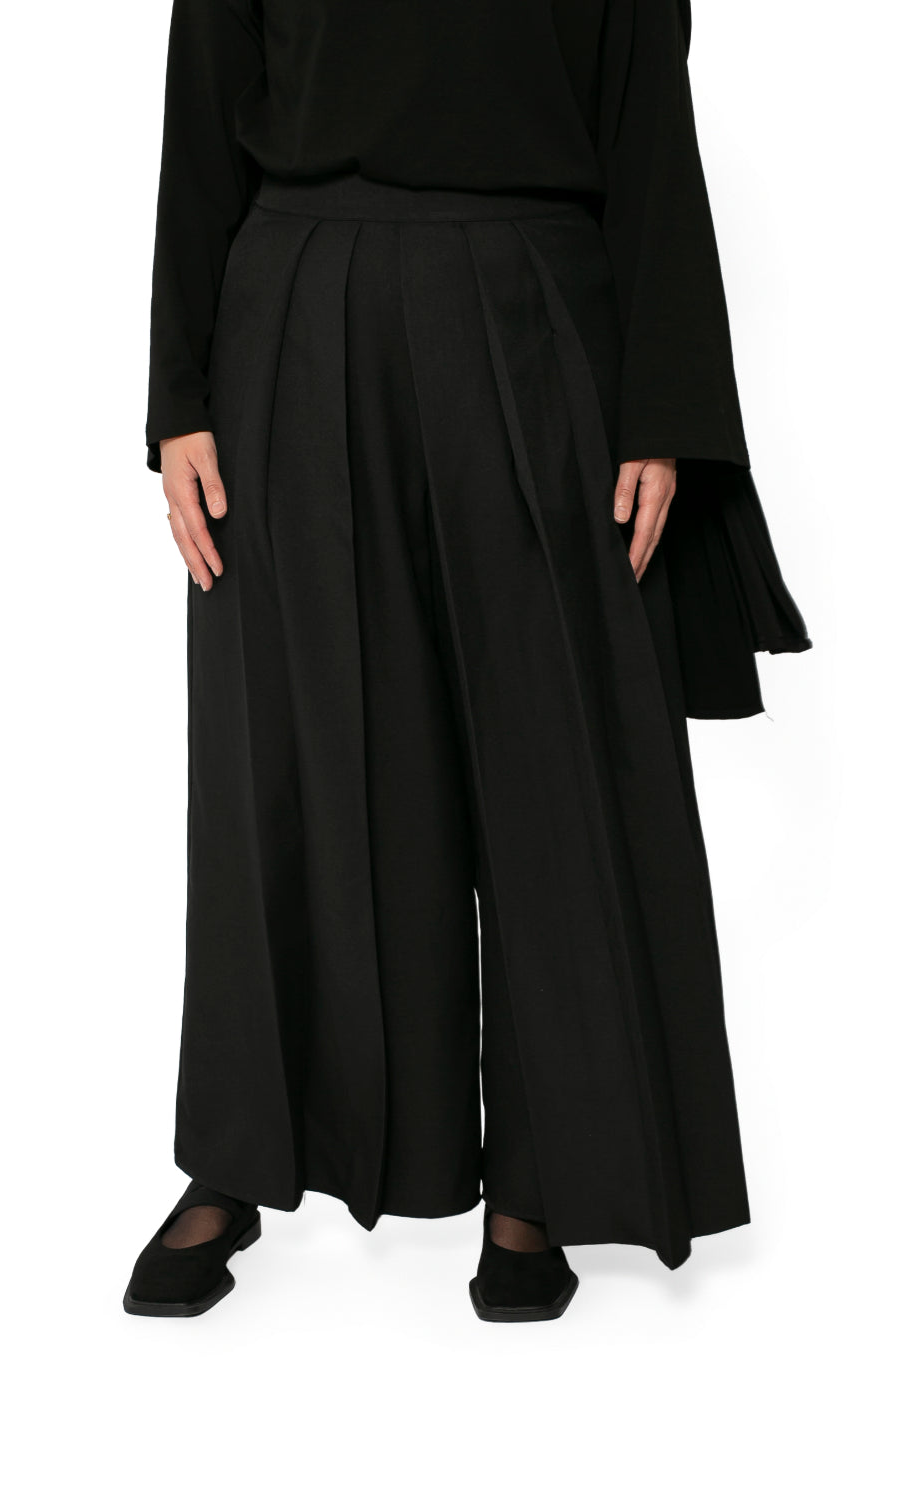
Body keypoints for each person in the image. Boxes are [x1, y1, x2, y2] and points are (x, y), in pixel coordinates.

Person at [124, 0, 811, 1323]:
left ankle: (539, 1181)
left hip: (534, 308)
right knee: (290, 760)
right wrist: (179, 400)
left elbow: (649, 129)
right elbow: (200, 112)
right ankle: (243, 1153)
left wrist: (661, 411)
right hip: (293, 315)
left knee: (555, 759)